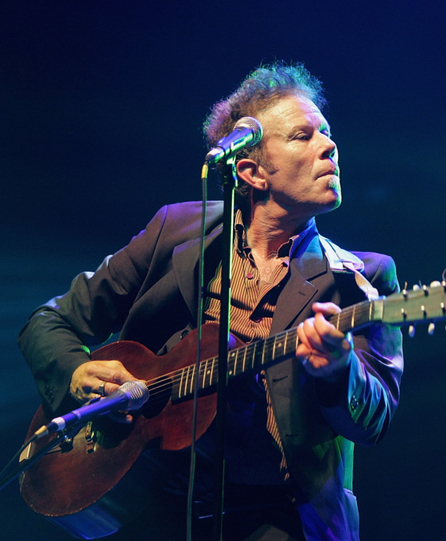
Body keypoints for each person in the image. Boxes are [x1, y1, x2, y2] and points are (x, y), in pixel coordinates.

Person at [18, 62, 403, 541]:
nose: (329, 145)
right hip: (157, 499)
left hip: (282, 516)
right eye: (303, 136)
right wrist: (76, 373)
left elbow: (377, 418)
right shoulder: (174, 233)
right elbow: (48, 321)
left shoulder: (360, 279)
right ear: (251, 171)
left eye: (327, 133)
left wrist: (338, 371)